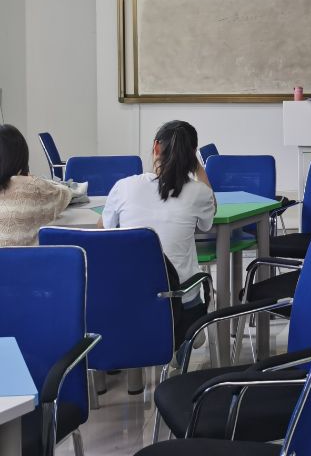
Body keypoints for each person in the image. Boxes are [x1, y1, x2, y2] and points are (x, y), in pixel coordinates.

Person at [100, 120, 216, 344]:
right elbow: (208, 220)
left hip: (128, 299)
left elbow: (103, 231)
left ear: (155, 147)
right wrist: (199, 169)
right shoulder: (200, 193)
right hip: (180, 306)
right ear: (192, 155)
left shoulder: (124, 187)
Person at [0, 124, 72, 247]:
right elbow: (66, 194)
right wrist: (35, 179)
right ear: (22, 154)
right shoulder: (33, 186)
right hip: (27, 259)